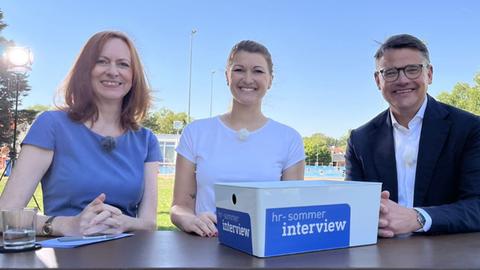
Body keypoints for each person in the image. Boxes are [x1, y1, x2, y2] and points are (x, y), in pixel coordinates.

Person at [0, 31, 161, 236]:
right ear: (86, 70)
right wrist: (65, 225)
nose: (113, 71)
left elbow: (149, 223)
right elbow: (5, 213)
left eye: (123, 64)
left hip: (128, 258)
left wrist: (124, 222)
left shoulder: (146, 140)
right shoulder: (51, 125)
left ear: (133, 76)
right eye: (102, 61)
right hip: (66, 256)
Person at [345, 34, 480, 237]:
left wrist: (419, 217)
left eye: (412, 69)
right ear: (377, 80)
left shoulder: (469, 129)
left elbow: (476, 205)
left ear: (429, 74)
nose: (402, 80)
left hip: (448, 255)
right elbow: (352, 208)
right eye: (390, 72)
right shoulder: (359, 140)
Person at [171, 40, 305, 237]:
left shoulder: (290, 139)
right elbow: (179, 207)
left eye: (258, 71)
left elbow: (291, 212)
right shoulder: (195, 133)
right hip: (206, 246)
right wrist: (190, 219)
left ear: (270, 79)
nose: (248, 79)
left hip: (264, 250)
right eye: (239, 70)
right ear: (227, 75)